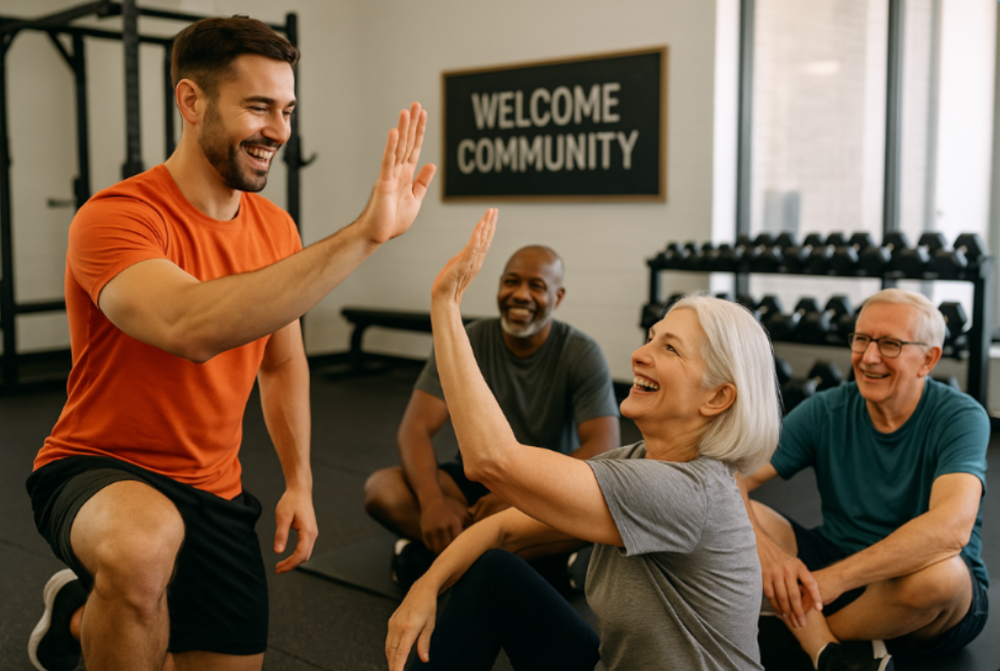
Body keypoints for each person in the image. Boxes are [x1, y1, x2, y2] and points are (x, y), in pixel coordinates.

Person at [25, 16, 436, 671]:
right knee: (143, 548)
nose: (279, 129)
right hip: (100, 466)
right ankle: (113, 598)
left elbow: (282, 362)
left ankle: (77, 616)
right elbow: (189, 327)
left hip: (214, 489)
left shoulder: (275, 227)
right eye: (258, 107)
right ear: (191, 102)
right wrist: (365, 235)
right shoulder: (117, 217)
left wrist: (300, 482)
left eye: (288, 109)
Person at [384, 210, 781, 671]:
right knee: (495, 573)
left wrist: (445, 304)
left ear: (717, 397)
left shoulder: (688, 493)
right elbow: (501, 528)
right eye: (650, 338)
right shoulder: (636, 461)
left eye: (669, 348)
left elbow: (491, 460)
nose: (639, 355)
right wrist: (427, 585)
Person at [738, 288, 989, 671]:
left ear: (928, 359)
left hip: (916, 589)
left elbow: (950, 530)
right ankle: (829, 650)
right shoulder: (827, 408)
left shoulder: (960, 416)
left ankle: (791, 639)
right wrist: (771, 557)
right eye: (861, 339)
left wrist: (832, 581)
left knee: (942, 576)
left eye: (890, 344)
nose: (869, 357)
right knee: (736, 514)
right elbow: (733, 476)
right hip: (833, 563)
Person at [362, 245, 620, 569]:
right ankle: (513, 560)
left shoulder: (581, 353)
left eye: (536, 287)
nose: (521, 294)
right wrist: (432, 504)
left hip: (547, 483)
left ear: (558, 297)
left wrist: (521, 492)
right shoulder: (468, 339)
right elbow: (415, 429)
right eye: (511, 282)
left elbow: (604, 446)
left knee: (609, 515)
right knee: (382, 490)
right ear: (500, 286)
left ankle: (446, 555)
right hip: (476, 477)